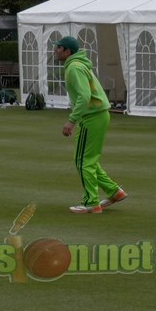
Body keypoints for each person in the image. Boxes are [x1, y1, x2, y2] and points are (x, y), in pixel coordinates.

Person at [52, 36, 127, 214]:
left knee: (82, 160)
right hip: (99, 114)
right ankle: (114, 191)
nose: (55, 50)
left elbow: (84, 96)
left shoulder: (74, 67)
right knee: (88, 160)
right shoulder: (77, 65)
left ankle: (91, 203)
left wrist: (71, 120)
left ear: (67, 51)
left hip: (92, 116)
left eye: (58, 48)